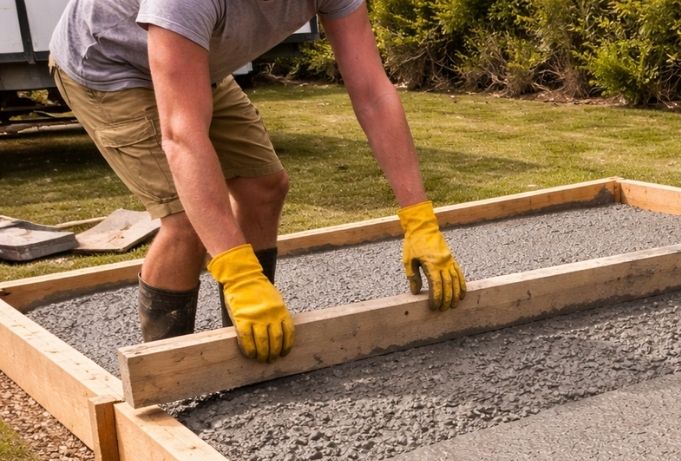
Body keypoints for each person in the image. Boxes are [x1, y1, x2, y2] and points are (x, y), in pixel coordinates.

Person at [49, 0, 467, 363]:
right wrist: (235, 268)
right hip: (110, 65)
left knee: (264, 186)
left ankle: (251, 333)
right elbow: (182, 135)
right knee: (187, 222)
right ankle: (167, 372)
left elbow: (373, 92)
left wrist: (419, 219)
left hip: (198, 58)